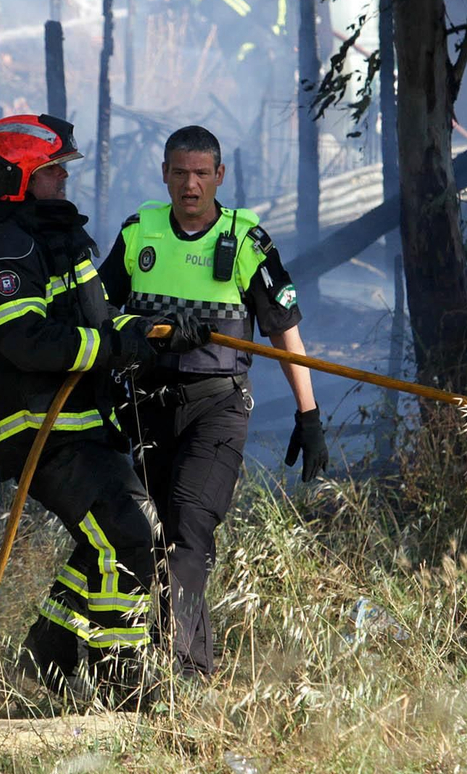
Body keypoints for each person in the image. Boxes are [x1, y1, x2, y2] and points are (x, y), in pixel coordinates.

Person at [0, 113, 209, 701]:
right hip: (42, 433)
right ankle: (119, 679)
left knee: (113, 540)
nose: (63, 179)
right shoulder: (4, 250)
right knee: (131, 536)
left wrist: (153, 331)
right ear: (17, 179)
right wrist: (115, 346)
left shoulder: (59, 239)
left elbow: (96, 323)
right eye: (52, 170)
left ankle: (43, 657)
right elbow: (25, 340)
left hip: (86, 425)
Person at [98, 124, 328, 681]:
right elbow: (99, 314)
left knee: (189, 528)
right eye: (180, 173)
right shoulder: (139, 232)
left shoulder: (247, 241)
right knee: (152, 536)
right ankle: (181, 670)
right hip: (146, 408)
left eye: (202, 173)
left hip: (217, 408)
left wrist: (309, 415)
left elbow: (285, 332)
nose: (191, 185)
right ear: (164, 174)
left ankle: (179, 672)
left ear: (220, 176)